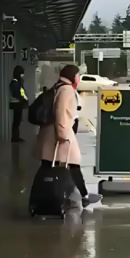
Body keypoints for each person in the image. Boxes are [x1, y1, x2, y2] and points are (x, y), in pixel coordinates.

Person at [38, 64, 98, 209]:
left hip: (52, 134)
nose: (78, 78)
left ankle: (43, 194)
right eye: (77, 75)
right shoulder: (67, 90)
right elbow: (61, 113)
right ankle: (83, 196)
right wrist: (63, 135)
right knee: (73, 164)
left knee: (49, 165)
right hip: (61, 135)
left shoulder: (58, 86)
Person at [9, 65, 29, 143]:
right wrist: (23, 99)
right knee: (16, 121)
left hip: (18, 103)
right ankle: (15, 137)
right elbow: (16, 93)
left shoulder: (18, 81)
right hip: (17, 103)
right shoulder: (15, 82)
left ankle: (16, 136)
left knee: (18, 121)